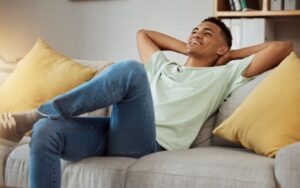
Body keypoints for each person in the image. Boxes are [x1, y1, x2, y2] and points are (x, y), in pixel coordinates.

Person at [0, 17, 293, 188]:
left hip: (149, 141)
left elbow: (282, 47)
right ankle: (39, 122)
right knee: (45, 134)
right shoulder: (164, 67)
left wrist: (229, 55)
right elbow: (144, 34)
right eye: (194, 30)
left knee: (130, 70)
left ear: (222, 47)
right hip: (113, 131)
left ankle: (37, 114)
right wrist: (188, 45)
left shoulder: (225, 73)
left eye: (207, 33)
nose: (196, 34)